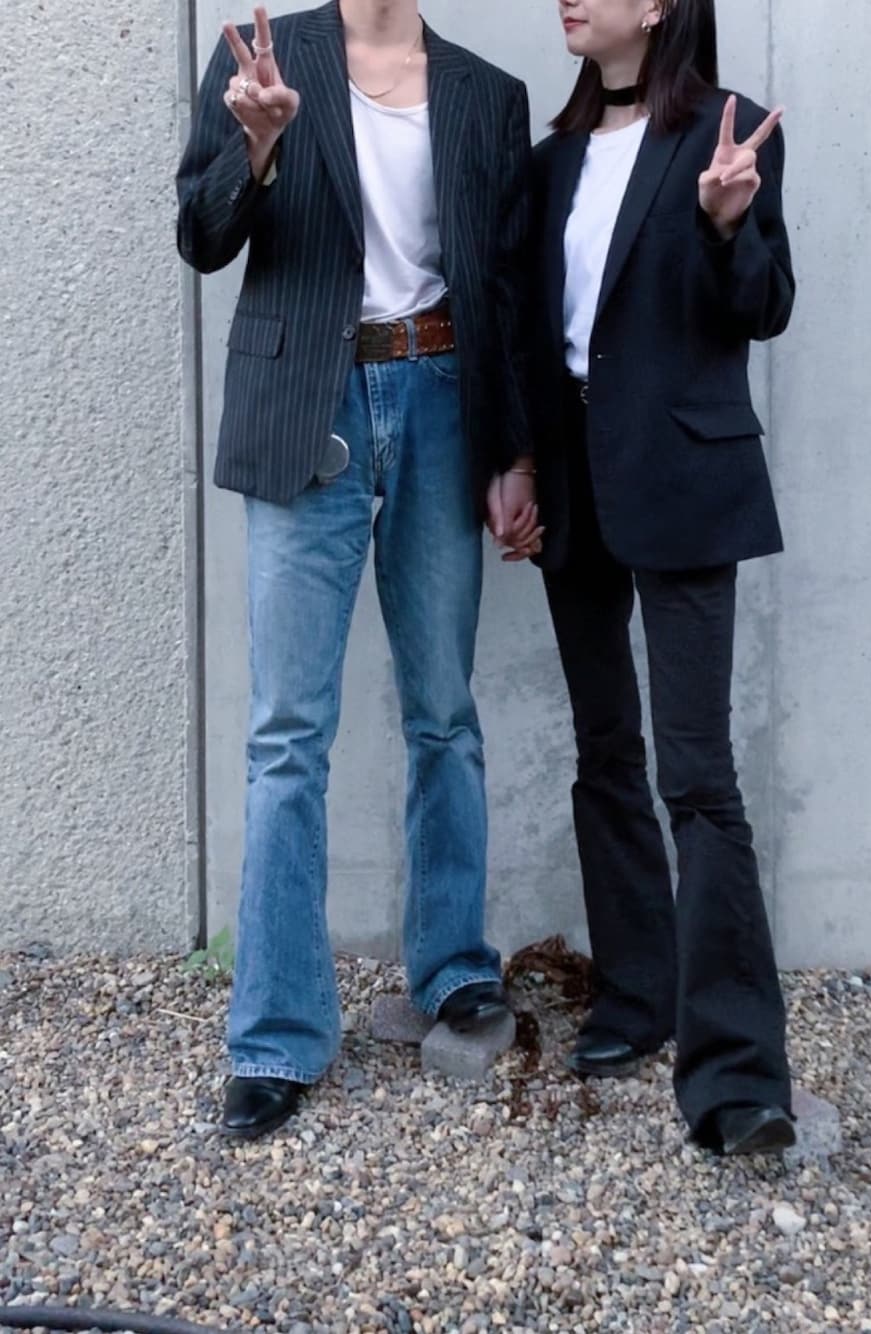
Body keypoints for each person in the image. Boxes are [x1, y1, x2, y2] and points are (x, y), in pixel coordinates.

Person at [176, 0, 541, 1139]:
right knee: (288, 731)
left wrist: (513, 451)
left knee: (444, 711)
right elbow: (200, 235)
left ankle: (453, 964)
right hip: (309, 402)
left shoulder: (486, 94)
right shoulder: (263, 62)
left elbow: (504, 289)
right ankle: (276, 1033)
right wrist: (258, 145)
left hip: (439, 395)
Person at [527, 0, 796, 1155]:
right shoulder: (552, 159)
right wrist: (515, 463)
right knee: (605, 750)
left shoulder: (730, 133)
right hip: (574, 482)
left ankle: (736, 1073)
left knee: (697, 772)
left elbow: (764, 309)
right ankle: (638, 995)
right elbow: (533, 329)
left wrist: (730, 226)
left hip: (683, 474)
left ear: (658, 7)